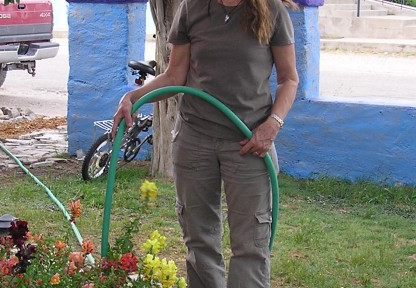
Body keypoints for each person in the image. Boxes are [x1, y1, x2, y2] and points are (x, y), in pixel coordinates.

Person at [111, 0, 298, 285]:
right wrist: (133, 98)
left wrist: (273, 124)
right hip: (195, 138)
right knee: (199, 239)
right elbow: (175, 75)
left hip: (249, 143)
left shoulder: (271, 10)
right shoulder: (192, 8)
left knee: (251, 243)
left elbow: (288, 79)